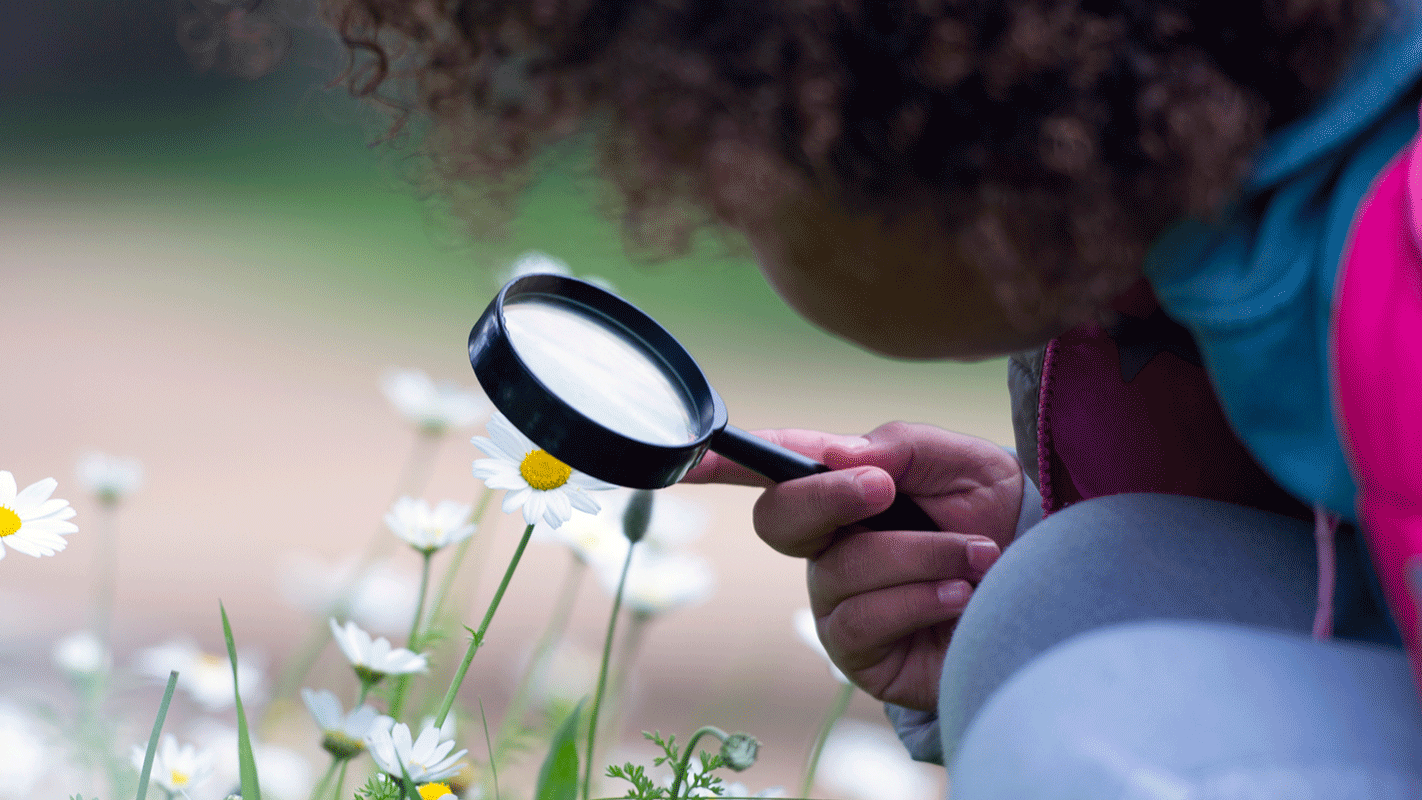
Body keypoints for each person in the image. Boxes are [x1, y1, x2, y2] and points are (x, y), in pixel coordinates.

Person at [327, 0, 1422, 793]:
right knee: (1060, 598)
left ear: (914, 108)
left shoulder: (1399, 267)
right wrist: (1011, 552)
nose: (709, 211)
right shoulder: (1189, 212)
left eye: (726, 150)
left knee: (1088, 737)